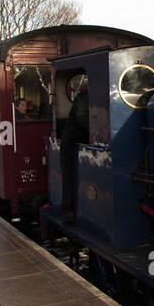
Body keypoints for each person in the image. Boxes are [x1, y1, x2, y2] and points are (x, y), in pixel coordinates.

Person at [60, 83, 89, 221]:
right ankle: (67, 209)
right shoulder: (84, 96)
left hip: (80, 136)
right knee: (69, 173)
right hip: (71, 139)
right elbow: (82, 117)